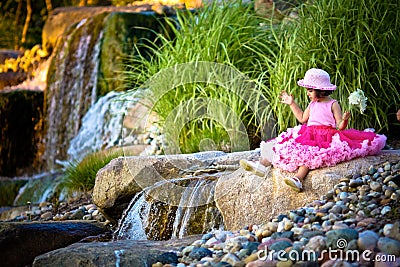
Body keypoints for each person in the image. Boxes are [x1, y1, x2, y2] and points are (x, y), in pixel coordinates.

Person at [240, 68, 387, 192]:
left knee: (310, 155)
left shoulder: (333, 104)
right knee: (281, 144)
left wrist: (345, 119)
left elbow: (340, 126)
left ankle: (298, 179)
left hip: (325, 136)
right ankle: (262, 165)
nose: (308, 94)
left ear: (321, 90)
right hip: (308, 132)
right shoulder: (312, 104)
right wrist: (292, 104)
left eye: (310, 90)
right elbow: (302, 118)